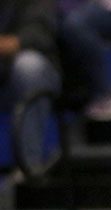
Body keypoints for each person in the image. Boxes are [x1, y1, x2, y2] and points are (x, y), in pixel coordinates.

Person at [0, 0, 61, 175]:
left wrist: (7, 44)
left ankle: (29, 165)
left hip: (33, 80)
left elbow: (37, 36)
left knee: (29, 65)